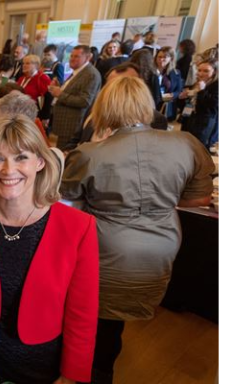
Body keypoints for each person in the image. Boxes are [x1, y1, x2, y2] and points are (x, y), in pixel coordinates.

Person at [61, 76, 214, 383]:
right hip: (162, 244)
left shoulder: (90, 153)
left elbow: (67, 204)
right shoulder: (186, 144)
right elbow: (199, 198)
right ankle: (102, 371)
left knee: (91, 319)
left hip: (106, 249)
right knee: (114, 323)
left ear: (104, 107)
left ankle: (86, 372)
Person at [0, 114, 98, 384]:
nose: (8, 170)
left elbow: (82, 313)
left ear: (40, 162)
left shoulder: (79, 227)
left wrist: (72, 373)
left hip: (42, 364)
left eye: (21, 157)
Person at [48, 45, 102, 148]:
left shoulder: (90, 74)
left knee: (66, 158)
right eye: (71, 56)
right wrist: (59, 87)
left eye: (76, 56)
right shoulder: (78, 71)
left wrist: (60, 94)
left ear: (87, 57)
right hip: (65, 125)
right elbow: (73, 92)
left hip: (73, 127)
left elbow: (85, 101)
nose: (72, 59)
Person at [0, 85, 48, 150]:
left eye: (21, 99)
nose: (17, 104)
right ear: (0, 102)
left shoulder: (34, 121)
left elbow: (46, 149)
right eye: (11, 100)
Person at [180, 59, 218, 148]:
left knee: (198, 148)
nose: (201, 73)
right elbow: (188, 103)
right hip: (190, 118)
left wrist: (202, 91)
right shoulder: (197, 83)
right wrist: (183, 96)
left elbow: (213, 104)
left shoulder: (217, 85)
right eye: (199, 70)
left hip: (204, 122)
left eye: (206, 71)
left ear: (214, 72)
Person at [155, 46, 184, 121]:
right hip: (151, 105)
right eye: (159, 57)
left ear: (171, 58)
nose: (161, 59)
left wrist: (172, 95)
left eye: (165, 57)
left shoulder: (176, 73)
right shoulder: (151, 71)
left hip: (166, 107)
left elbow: (179, 90)